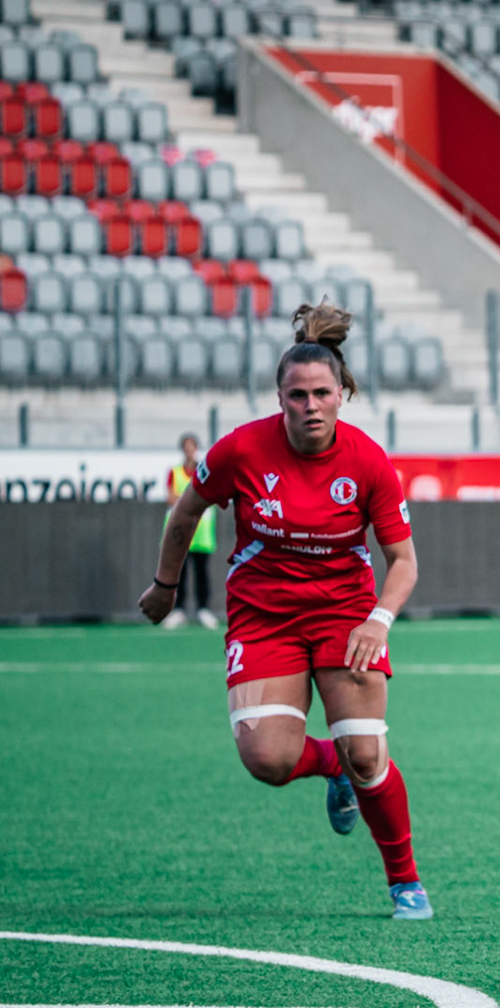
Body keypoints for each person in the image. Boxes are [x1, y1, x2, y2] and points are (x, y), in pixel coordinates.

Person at [138, 304, 432, 921]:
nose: (310, 405)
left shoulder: (369, 461)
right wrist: (166, 586)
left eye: (322, 392)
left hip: (346, 615)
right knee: (267, 760)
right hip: (263, 615)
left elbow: (402, 561)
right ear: (280, 397)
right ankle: (331, 767)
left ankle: (404, 880)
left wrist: (377, 620)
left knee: (369, 752)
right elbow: (187, 513)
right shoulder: (241, 449)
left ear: (342, 394)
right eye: (296, 395)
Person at [162, 433, 220, 630]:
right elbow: (170, 497)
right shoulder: (175, 472)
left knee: (202, 573)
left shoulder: (205, 470)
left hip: (201, 533)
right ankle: (179, 610)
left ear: (196, 448)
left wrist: (185, 500)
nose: (189, 450)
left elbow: (211, 495)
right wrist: (191, 500)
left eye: (192, 446)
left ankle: (203, 609)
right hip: (179, 533)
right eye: (185, 446)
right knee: (180, 573)